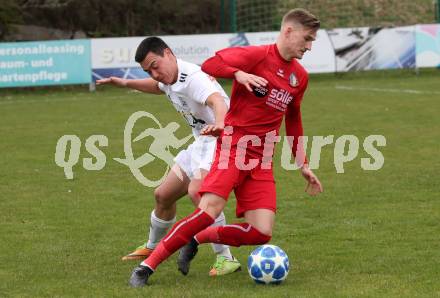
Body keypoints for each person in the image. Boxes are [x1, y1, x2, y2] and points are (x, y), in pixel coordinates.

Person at [129, 8, 323, 287]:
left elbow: (293, 119)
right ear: (288, 31)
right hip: (233, 148)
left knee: (261, 233)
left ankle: (198, 238)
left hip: (261, 158)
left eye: (312, 40)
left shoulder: (299, 77)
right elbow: (210, 65)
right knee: (207, 210)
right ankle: (146, 268)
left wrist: (303, 164)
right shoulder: (257, 55)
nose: (309, 46)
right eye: (307, 38)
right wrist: (239, 75)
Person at [97, 37, 241, 276]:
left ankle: (226, 258)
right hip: (202, 142)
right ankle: (151, 247)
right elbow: (157, 87)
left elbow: (217, 100)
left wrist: (220, 124)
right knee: (163, 195)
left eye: (155, 65)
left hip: (222, 139)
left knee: (199, 192)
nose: (154, 73)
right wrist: (123, 82)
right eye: (148, 70)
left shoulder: (193, 78)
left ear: (168, 53)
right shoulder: (167, 78)